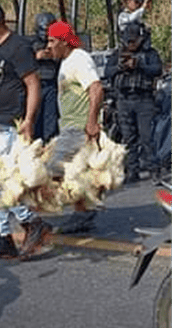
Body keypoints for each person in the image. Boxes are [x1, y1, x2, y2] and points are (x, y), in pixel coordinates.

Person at [0, 2, 52, 261]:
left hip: (7, 126)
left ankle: (31, 224)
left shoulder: (17, 47)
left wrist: (29, 119)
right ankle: (2, 237)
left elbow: (32, 84)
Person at [47, 21, 105, 233]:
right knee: (78, 171)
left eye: (52, 41)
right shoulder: (67, 60)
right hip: (70, 126)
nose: (49, 45)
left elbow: (96, 88)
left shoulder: (79, 59)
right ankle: (83, 214)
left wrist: (91, 121)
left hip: (78, 127)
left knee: (52, 167)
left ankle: (76, 208)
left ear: (64, 42)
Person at [104, 22, 162, 184]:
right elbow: (107, 72)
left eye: (133, 41)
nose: (130, 44)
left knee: (147, 137)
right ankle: (132, 170)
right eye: (128, 41)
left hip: (144, 99)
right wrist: (120, 67)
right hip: (123, 99)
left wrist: (140, 65)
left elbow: (157, 69)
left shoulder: (150, 54)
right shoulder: (117, 54)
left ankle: (153, 169)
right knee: (128, 138)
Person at [30, 12, 59, 143]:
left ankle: (50, 146)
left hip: (51, 84)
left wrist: (53, 56)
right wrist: (36, 57)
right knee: (35, 121)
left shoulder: (57, 42)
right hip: (34, 86)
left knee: (50, 122)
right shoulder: (29, 44)